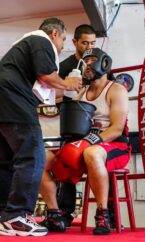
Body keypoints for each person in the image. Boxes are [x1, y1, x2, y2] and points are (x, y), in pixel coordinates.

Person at [0, 17, 82, 237]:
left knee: (10, 161)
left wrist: (69, 89)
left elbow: (43, 88)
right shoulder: (40, 40)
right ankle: (17, 216)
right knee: (33, 157)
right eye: (64, 39)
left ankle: (4, 215)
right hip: (12, 102)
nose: (63, 46)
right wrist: (68, 83)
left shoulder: (23, 50)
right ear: (54, 33)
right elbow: (46, 75)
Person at [39, 48, 131, 235]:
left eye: (90, 60)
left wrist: (89, 141)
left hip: (115, 145)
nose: (86, 65)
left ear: (104, 63)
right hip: (86, 145)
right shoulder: (81, 92)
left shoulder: (116, 90)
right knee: (40, 158)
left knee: (92, 152)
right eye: (84, 61)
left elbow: (117, 128)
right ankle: (56, 213)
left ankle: (103, 214)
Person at [45, 24, 97, 229]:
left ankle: (107, 212)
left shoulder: (100, 62)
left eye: (92, 42)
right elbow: (52, 93)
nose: (89, 46)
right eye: (85, 42)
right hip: (73, 123)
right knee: (66, 168)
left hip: (95, 124)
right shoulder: (64, 65)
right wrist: (67, 89)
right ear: (75, 42)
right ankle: (64, 214)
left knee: (100, 164)